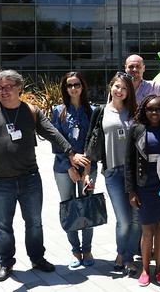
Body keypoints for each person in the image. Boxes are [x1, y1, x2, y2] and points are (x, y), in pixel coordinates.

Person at [0, 70, 88, 282]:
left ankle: (37, 258)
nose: (4, 91)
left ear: (19, 88)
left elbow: (52, 133)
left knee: (34, 223)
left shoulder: (31, 111)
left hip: (29, 178)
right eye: (0, 88)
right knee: (2, 226)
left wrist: (71, 152)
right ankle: (6, 263)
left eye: (9, 87)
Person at [87, 72, 140, 276]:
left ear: (129, 92)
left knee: (136, 219)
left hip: (134, 172)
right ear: (111, 87)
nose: (120, 91)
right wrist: (87, 173)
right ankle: (123, 255)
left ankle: (126, 258)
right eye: (117, 86)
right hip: (113, 172)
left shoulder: (134, 113)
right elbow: (90, 143)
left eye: (124, 88)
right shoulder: (100, 111)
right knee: (124, 219)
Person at [125, 94, 160, 286]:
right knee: (147, 230)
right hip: (144, 186)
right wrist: (131, 190)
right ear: (144, 110)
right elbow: (129, 162)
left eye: (158, 109)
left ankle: (159, 269)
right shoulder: (136, 129)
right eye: (150, 109)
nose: (154, 112)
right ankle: (145, 270)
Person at [50, 71, 97, 268]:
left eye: (76, 84)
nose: (73, 88)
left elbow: (96, 140)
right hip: (64, 167)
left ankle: (87, 249)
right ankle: (75, 251)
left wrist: (86, 169)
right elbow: (55, 140)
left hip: (87, 166)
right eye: (69, 85)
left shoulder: (93, 110)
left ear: (83, 86)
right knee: (69, 208)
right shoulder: (57, 111)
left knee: (87, 207)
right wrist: (69, 165)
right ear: (65, 88)